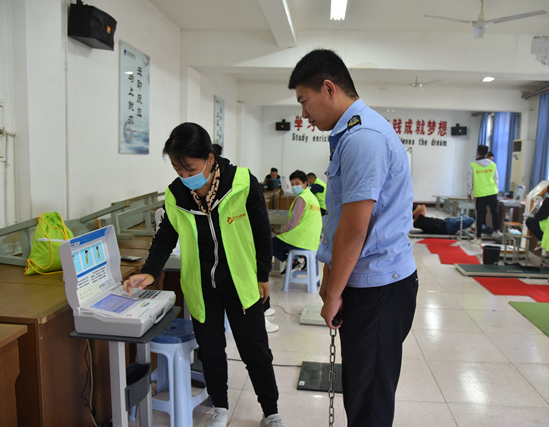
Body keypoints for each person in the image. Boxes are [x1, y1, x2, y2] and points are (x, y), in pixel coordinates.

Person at [122, 123, 285, 427]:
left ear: (210, 159)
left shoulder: (241, 183)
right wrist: (149, 272)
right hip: (201, 287)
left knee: (256, 352)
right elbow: (166, 234)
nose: (183, 175)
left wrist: (263, 275)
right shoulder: (176, 195)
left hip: (241, 283)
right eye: (176, 167)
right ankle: (220, 408)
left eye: (189, 167)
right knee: (211, 352)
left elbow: (263, 232)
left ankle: (271, 412)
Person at [289, 49, 418, 427]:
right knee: (361, 388)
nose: (304, 115)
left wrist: (331, 295)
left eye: (304, 102)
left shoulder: (364, 138)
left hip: (378, 288)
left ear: (328, 88)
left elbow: (354, 229)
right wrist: (331, 283)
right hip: (368, 283)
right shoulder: (352, 134)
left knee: (369, 400)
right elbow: (340, 226)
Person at [272, 170, 323, 268]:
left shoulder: (302, 198)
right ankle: (295, 259)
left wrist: (283, 232)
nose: (294, 186)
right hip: (312, 242)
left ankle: (291, 261)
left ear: (305, 183)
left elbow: (293, 222)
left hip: (300, 240)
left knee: (270, 243)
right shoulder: (312, 198)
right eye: (292, 184)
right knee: (280, 243)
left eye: (297, 183)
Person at [467, 144, 501, 245]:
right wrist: (496, 191)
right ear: (486, 153)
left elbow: (469, 180)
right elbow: (496, 179)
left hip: (480, 193)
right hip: (492, 192)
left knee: (480, 215)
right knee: (495, 212)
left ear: (477, 152)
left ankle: (478, 238)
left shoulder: (473, 165)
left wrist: (469, 193)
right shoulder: (492, 164)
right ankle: (496, 231)